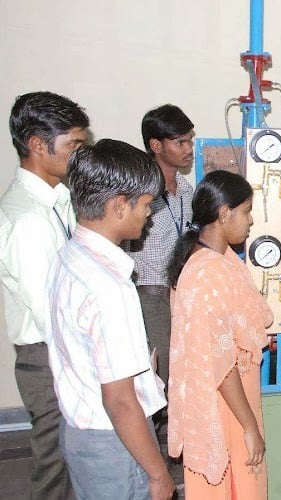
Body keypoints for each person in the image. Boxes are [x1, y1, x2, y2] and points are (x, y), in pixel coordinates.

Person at [46, 139, 174, 500]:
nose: (149, 214)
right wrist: (158, 473)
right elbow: (119, 401)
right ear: (119, 206)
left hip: (82, 432)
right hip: (116, 445)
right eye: (147, 205)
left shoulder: (69, 256)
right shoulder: (108, 286)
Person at [0, 91, 89, 500]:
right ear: (38, 145)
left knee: (75, 459)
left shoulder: (58, 199)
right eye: (73, 145)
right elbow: (51, 310)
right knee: (56, 465)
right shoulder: (28, 220)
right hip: (49, 355)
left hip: (63, 349)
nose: (79, 154)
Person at [168, 170, 272, 499]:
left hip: (235, 396)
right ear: (224, 213)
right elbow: (221, 364)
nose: (251, 220)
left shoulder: (218, 257)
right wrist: (249, 426)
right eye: (246, 211)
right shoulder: (206, 274)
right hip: (225, 405)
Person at [125, 104, 194, 423]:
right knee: (158, 373)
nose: (188, 149)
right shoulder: (138, 194)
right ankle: (155, 452)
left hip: (179, 293)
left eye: (190, 141)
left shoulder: (186, 191)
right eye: (180, 142)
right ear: (156, 145)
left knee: (182, 370)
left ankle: (175, 443)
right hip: (148, 294)